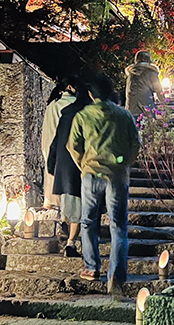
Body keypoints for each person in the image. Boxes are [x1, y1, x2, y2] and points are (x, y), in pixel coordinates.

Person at [68, 74, 140, 297]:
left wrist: (84, 165)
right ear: (110, 92)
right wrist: (123, 163)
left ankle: (91, 267)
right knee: (118, 225)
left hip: (91, 174)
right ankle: (116, 276)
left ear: (91, 94)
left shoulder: (83, 116)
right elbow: (135, 144)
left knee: (88, 221)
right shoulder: (124, 115)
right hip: (117, 176)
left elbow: (73, 146)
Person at [47, 77, 91, 252]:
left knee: (71, 205)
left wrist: (52, 164)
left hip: (65, 167)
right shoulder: (90, 114)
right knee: (79, 207)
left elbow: (56, 140)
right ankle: (72, 242)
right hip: (82, 166)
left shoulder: (66, 112)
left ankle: (70, 237)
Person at [41, 77, 76, 209]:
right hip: (64, 147)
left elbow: (46, 130)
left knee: (51, 177)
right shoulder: (74, 104)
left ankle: (49, 202)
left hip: (49, 145)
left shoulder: (51, 105)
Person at [124, 50, 163, 117]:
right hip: (146, 107)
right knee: (148, 125)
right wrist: (164, 103)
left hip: (131, 107)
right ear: (149, 60)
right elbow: (159, 90)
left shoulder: (131, 73)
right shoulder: (151, 73)